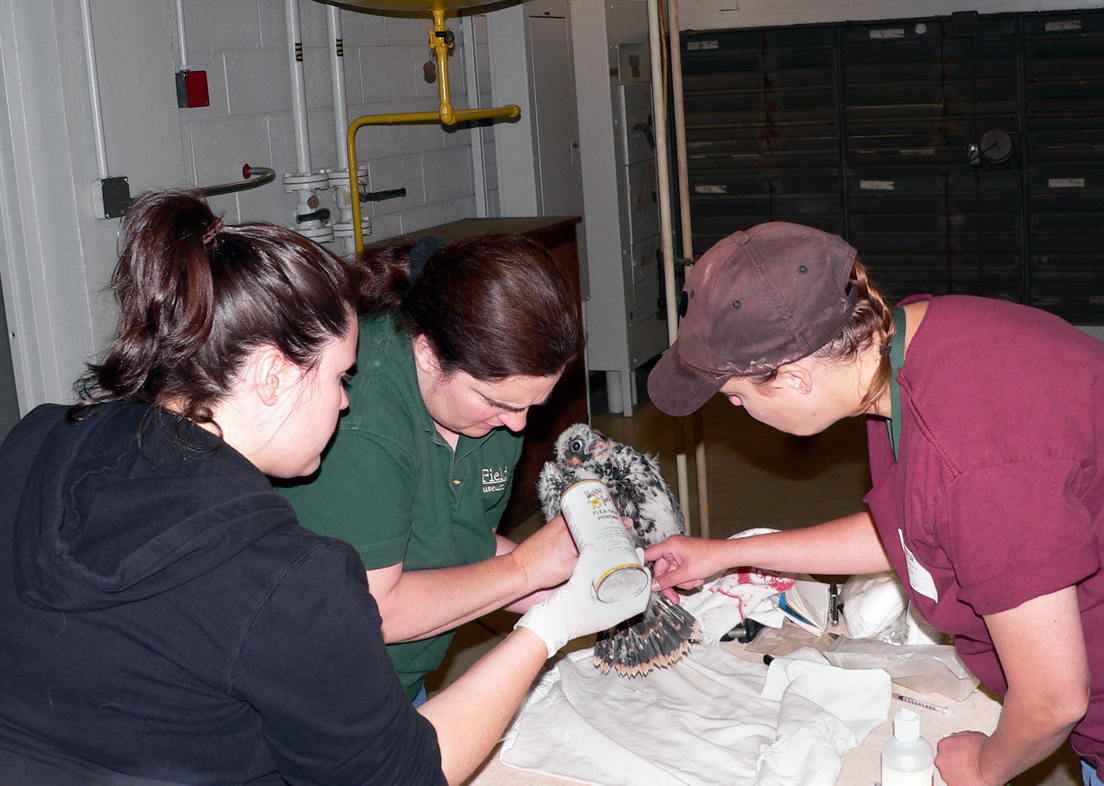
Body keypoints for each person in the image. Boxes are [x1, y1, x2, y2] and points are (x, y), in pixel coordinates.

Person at [0, 190, 648, 786]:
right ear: (275, 376)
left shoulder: (40, 439)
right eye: (340, 376)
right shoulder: (288, 575)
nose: (345, 401)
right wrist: (551, 623)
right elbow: (408, 773)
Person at [642, 222, 1104, 786]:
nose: (739, 410)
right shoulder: (908, 346)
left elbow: (1053, 698)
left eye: (737, 396)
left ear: (791, 378)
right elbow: (918, 524)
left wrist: (985, 767)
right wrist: (725, 555)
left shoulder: (976, 458)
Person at [277, 233, 585, 704]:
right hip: (318, 692)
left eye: (533, 404)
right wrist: (526, 569)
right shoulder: (358, 425)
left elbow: (459, 544)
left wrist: (587, 582)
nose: (518, 424)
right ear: (426, 353)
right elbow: (376, 611)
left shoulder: (490, 412)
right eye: (499, 401)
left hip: (403, 676)